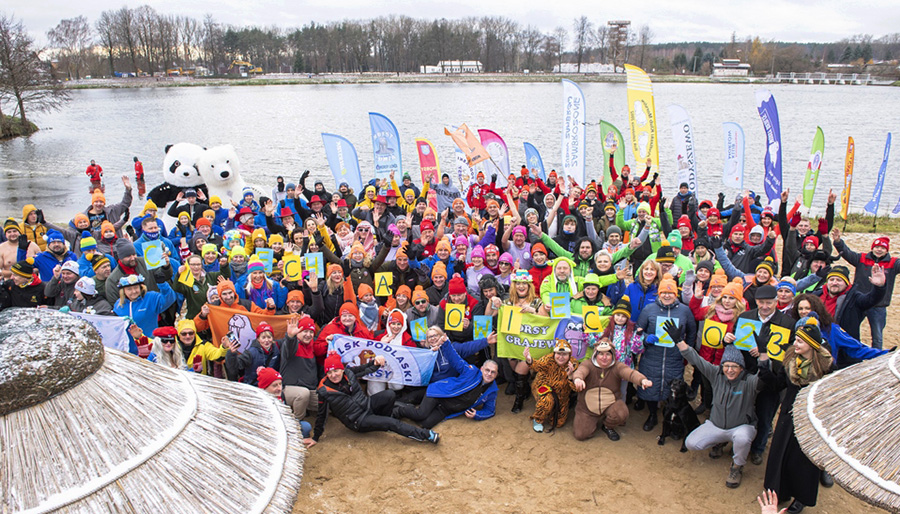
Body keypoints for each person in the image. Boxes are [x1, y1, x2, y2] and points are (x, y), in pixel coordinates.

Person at [667, 320, 774, 489]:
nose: (730, 370)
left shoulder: (750, 381)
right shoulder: (716, 374)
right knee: (691, 443)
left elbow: (766, 375)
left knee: (742, 438)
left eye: (735, 366)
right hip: (716, 425)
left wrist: (763, 352)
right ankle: (720, 442)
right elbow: (695, 359)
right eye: (727, 366)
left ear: (741, 368)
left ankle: (737, 466)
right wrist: (678, 340)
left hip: (741, 427)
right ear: (722, 366)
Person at [764, 316, 834, 513]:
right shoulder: (789, 362)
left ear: (811, 345)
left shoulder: (826, 368)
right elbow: (778, 385)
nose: (795, 343)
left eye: (800, 341)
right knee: (782, 455)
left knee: (803, 461)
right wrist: (763, 362)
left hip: (811, 419)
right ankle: (780, 491)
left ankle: (801, 498)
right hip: (788, 416)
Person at [308, 352, 440, 448]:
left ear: (341, 370)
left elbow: (365, 368)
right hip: (358, 420)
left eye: (336, 370)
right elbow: (321, 415)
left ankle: (384, 417)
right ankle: (425, 435)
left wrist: (376, 362)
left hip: (367, 404)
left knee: (389, 394)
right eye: (329, 372)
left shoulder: (349, 373)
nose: (334, 375)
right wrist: (315, 437)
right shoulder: (324, 391)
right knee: (391, 423)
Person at [395, 338, 498, 429]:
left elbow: (490, 410)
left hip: (446, 409)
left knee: (425, 424)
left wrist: (477, 414)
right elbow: (456, 360)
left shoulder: (492, 390)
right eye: (487, 370)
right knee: (420, 414)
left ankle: (409, 407)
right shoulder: (471, 372)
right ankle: (397, 409)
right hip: (440, 393)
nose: (489, 374)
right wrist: (446, 344)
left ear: (496, 374)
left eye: (493, 372)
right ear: (481, 369)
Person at [572, 339, 652, 441]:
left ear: (613, 355)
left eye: (608, 354)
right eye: (601, 354)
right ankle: (591, 420)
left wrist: (642, 380)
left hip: (609, 404)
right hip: (588, 408)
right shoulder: (588, 364)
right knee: (581, 434)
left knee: (621, 413)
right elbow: (580, 371)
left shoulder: (617, 366)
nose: (604, 358)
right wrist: (578, 379)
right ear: (596, 354)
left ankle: (607, 426)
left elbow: (630, 373)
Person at [522, 340, 578, 433]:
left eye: (564, 354)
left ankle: (552, 410)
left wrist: (571, 376)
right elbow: (537, 365)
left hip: (562, 394)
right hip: (544, 388)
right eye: (558, 353)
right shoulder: (548, 359)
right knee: (547, 401)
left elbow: (575, 388)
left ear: (569, 354)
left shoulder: (573, 364)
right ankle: (538, 419)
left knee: (558, 423)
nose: (561, 357)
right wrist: (529, 360)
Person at [280, 315, 324, 421]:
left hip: (310, 389)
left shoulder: (313, 345)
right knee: (303, 394)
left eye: (311, 332)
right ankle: (296, 422)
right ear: (298, 332)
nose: (308, 335)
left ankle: (306, 407)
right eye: (305, 331)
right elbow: (289, 347)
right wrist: (290, 337)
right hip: (289, 389)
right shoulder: (293, 344)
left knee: (326, 401)